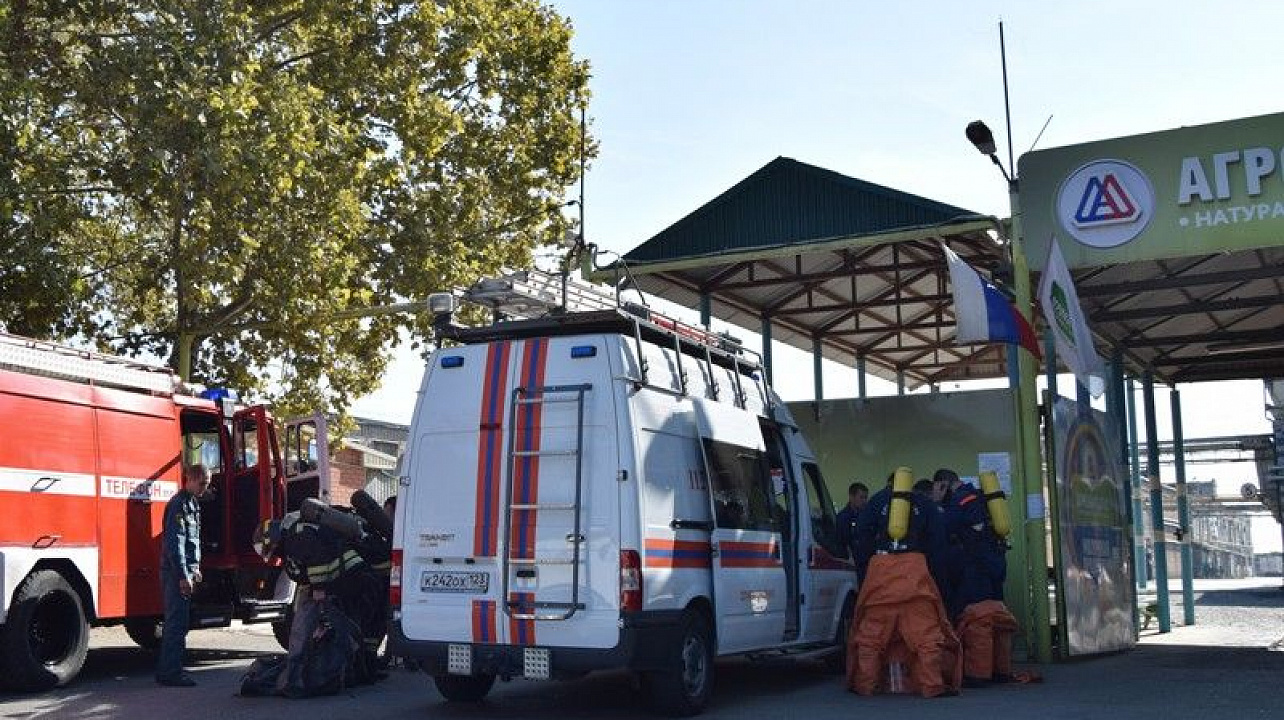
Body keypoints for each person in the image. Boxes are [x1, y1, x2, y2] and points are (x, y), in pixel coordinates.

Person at [847, 472, 960, 698]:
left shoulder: (877, 501)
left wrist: (869, 568)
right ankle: (931, 685)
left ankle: (866, 684)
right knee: (926, 637)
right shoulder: (924, 504)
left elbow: (860, 537)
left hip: (880, 575)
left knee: (871, 637)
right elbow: (938, 545)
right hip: (915, 575)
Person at [934, 468, 1015, 686]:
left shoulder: (960, 500)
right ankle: (1001, 670)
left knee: (978, 620)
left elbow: (943, 527)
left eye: (938, 488)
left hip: (977, 568)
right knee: (997, 618)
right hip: (995, 564)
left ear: (943, 484)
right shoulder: (982, 497)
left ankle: (978, 675)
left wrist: (939, 503)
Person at [156, 464, 209, 687]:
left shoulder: (191, 504)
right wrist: (183, 575)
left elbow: (191, 541)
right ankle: (170, 673)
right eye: (203, 483)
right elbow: (174, 544)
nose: (205, 488)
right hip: (176, 573)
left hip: (185, 572)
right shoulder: (179, 505)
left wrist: (194, 568)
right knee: (176, 623)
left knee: (180, 622)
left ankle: (171, 668)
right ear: (191, 478)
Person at [835, 482, 868, 560]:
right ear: (851, 497)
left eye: (866, 498)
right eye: (861, 497)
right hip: (849, 560)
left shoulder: (867, 516)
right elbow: (842, 542)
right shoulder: (842, 518)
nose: (864, 501)